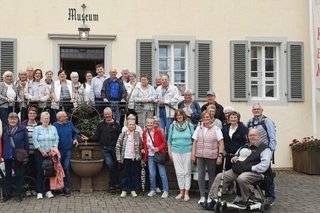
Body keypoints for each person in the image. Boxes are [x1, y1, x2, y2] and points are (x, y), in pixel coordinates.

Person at [203, 129, 272, 209]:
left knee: (242, 178)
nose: (252, 137)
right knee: (221, 176)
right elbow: (235, 155)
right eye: (250, 135)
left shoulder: (264, 149)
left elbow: (265, 165)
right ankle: (213, 200)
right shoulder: (245, 146)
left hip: (256, 172)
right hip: (240, 169)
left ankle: (246, 199)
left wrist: (251, 168)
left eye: (254, 135)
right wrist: (234, 158)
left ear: (259, 136)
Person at [81, 107, 121, 191]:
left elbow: (120, 136)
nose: (107, 116)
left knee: (117, 166)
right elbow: (96, 136)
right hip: (105, 148)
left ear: (112, 114)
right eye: (105, 114)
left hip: (115, 148)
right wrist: (88, 138)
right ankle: (113, 184)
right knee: (110, 165)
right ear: (104, 115)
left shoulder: (117, 124)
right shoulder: (100, 124)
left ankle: (115, 185)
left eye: (108, 114)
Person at [191, 110, 224, 205]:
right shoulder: (199, 128)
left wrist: (220, 156)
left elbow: (221, 143)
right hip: (200, 156)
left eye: (208, 117)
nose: (206, 119)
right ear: (202, 118)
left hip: (211, 156)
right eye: (204, 117)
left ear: (211, 118)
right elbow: (195, 142)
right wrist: (193, 154)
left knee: (211, 176)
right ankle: (202, 196)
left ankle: (210, 196)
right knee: (201, 175)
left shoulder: (216, 129)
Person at [247, 103, 276, 205]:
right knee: (257, 174)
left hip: (265, 152)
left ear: (262, 110)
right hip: (254, 153)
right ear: (252, 111)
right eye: (254, 109)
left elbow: (272, 138)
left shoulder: (267, 121)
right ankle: (257, 195)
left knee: (268, 175)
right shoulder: (250, 122)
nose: (256, 110)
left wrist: (271, 152)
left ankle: (270, 196)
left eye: (258, 109)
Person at [167, 109, 194, 201]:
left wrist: (194, 152)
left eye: (180, 115)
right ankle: (181, 191)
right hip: (175, 151)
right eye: (177, 115)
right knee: (179, 172)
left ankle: (187, 192)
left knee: (187, 172)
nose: (179, 117)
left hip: (188, 151)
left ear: (183, 115)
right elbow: (169, 141)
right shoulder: (172, 126)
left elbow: (194, 139)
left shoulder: (189, 125)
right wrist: (170, 152)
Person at [1, 112, 29, 202]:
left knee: (19, 175)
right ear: (8, 120)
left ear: (17, 120)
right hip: (7, 155)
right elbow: (3, 142)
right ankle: (7, 194)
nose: (12, 120)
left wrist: (26, 155)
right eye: (11, 118)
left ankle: (19, 194)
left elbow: (26, 143)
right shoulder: (5, 129)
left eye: (14, 119)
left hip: (19, 155)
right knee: (7, 175)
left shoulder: (22, 129)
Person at [33, 111, 59, 199]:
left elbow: (57, 140)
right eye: (44, 118)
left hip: (51, 153)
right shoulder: (37, 129)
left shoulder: (53, 128)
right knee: (40, 171)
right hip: (39, 153)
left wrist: (52, 150)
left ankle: (48, 191)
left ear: (49, 119)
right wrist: (42, 151)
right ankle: (39, 191)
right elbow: (35, 141)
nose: (46, 119)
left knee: (49, 171)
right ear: (41, 119)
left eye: (47, 118)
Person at [221, 111, 248, 197]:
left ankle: (240, 194)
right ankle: (229, 190)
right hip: (228, 155)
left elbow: (245, 142)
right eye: (231, 117)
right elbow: (222, 141)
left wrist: (239, 153)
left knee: (239, 174)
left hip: (239, 156)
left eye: (235, 117)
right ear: (228, 119)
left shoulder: (243, 129)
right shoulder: (225, 128)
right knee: (228, 174)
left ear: (238, 119)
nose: (233, 119)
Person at [52, 111, 78, 196]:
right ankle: (59, 187)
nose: (67, 118)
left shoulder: (69, 124)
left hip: (67, 150)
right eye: (65, 116)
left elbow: (75, 133)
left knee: (66, 168)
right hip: (58, 151)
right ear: (60, 118)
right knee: (58, 169)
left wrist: (75, 139)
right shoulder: (54, 126)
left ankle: (66, 188)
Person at [142, 118, 169, 199]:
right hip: (150, 155)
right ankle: (152, 189)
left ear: (154, 124)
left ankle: (165, 190)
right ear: (146, 124)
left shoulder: (158, 131)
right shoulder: (144, 133)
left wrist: (158, 148)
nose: (149, 124)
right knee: (152, 174)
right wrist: (144, 149)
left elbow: (164, 143)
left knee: (162, 174)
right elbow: (144, 144)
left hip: (159, 154)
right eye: (148, 123)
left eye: (151, 123)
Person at [116, 119, 143, 198]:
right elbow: (118, 146)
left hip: (134, 157)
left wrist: (140, 152)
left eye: (133, 125)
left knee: (133, 173)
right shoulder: (123, 134)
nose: (131, 126)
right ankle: (124, 189)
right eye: (130, 124)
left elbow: (141, 145)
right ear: (127, 125)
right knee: (125, 174)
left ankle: (133, 189)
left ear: (135, 126)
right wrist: (118, 156)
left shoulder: (137, 134)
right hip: (125, 157)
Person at [21, 107, 40, 195]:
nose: (32, 115)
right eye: (30, 113)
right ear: (28, 114)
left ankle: (34, 188)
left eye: (33, 113)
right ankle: (27, 189)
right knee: (26, 170)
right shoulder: (23, 124)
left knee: (35, 170)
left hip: (37, 152)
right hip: (27, 153)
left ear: (36, 115)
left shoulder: (39, 124)